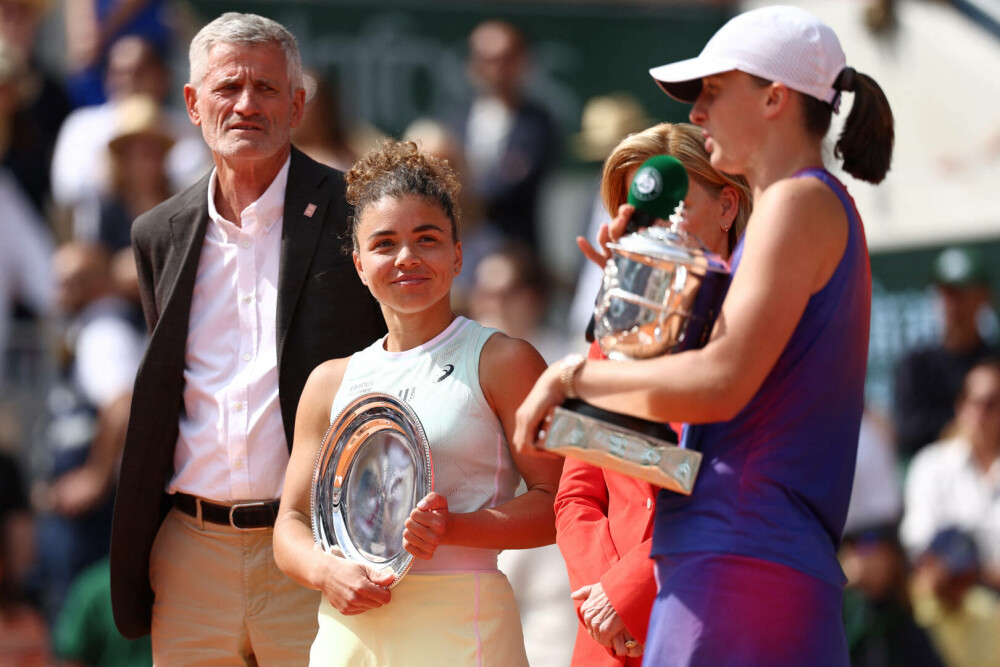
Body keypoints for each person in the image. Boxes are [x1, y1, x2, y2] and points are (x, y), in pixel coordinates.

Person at [514, 6, 894, 665]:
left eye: (713, 92)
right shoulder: (806, 206)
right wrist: (641, 307)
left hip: (738, 564)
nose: (697, 113)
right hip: (741, 561)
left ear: (775, 98)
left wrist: (573, 377)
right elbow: (686, 450)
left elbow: (716, 387)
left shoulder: (797, 202)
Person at [108, 12, 386, 665]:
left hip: (319, 548)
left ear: (297, 103)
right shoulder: (159, 231)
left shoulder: (358, 212)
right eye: (228, 88)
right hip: (189, 554)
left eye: (266, 89)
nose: (245, 105)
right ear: (192, 103)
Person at [273, 139, 563, 667]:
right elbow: (290, 523)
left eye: (426, 239)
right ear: (359, 264)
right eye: (384, 244)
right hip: (347, 630)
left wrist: (454, 530)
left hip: (461, 625)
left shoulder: (504, 360)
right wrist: (325, 572)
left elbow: (562, 502)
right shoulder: (328, 382)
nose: (407, 257)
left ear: (457, 255)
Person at [555, 122, 751, 666]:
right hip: (608, 642)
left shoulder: (758, 329)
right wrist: (604, 596)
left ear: (727, 206)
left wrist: (633, 589)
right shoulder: (613, 337)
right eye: (640, 211)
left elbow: (733, 486)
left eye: (673, 204)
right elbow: (577, 494)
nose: (653, 226)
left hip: (711, 625)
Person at [449, 19, 556, 246]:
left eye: (505, 58)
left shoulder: (537, 124)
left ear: (522, 61)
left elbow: (509, 185)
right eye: (486, 59)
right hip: (459, 250)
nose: (495, 68)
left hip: (514, 251)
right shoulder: (452, 120)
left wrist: (464, 196)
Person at [900, 358, 1000, 589]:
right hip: (951, 599)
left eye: (992, 404)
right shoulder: (930, 465)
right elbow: (919, 541)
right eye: (975, 402)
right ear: (961, 406)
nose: (981, 414)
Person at [893, 246, 995, 459]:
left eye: (962, 294)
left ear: (983, 297)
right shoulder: (916, 365)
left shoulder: (995, 361)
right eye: (947, 294)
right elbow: (908, 432)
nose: (954, 305)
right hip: (935, 480)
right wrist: (960, 429)